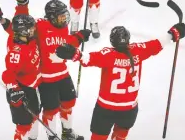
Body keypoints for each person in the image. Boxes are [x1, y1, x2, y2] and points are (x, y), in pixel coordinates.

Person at [55, 23, 185, 140]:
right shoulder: (139, 50)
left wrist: (73, 53)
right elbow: (158, 43)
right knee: (120, 137)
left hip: (106, 109)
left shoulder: (108, 55)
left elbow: (87, 59)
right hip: (129, 110)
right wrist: (173, 33)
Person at [1, 0, 91, 140]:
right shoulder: (39, 25)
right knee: (51, 109)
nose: (64, 19)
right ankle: (52, 135)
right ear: (51, 16)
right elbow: (20, 26)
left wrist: (78, 37)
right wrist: (18, 7)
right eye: (61, 16)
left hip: (63, 74)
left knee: (69, 101)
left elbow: (65, 43)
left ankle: (67, 132)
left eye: (65, 16)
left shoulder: (62, 27)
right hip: (46, 79)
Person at [0, 0, 40, 140]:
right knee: (23, 125)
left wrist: (22, 3)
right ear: (22, 33)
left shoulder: (24, 35)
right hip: (20, 91)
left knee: (34, 116)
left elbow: (20, 19)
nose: (34, 30)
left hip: (31, 86)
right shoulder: (16, 52)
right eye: (31, 29)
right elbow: (7, 74)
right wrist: (14, 90)